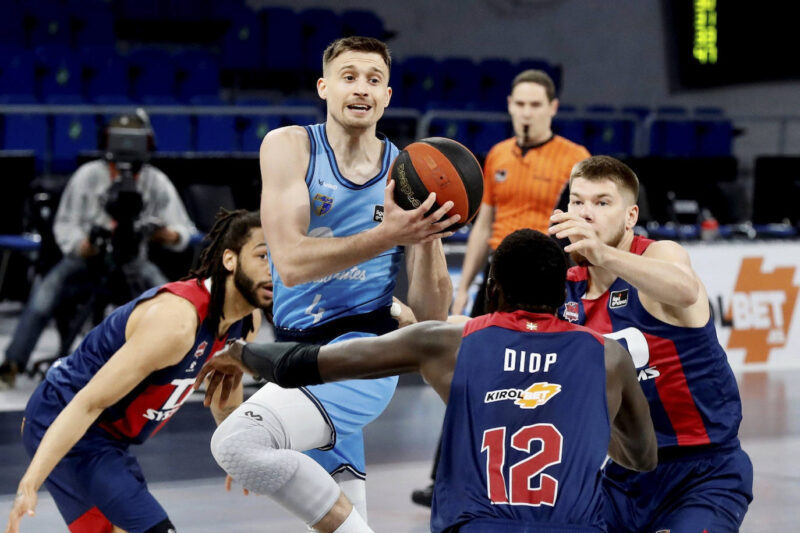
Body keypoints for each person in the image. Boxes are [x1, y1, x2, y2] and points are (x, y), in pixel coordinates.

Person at [197, 228, 658, 532]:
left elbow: (301, 363)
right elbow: (641, 457)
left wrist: (240, 352)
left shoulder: (447, 341)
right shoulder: (608, 356)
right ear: (562, 294)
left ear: (492, 289)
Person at [207, 36, 457, 533]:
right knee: (342, 524)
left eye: (374, 80)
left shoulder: (409, 172)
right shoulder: (289, 147)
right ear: (324, 87)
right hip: (297, 353)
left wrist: (425, 236)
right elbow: (291, 263)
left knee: (236, 445)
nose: (362, 88)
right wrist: (388, 234)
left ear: (387, 96)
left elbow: (431, 319)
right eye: (349, 77)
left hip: (364, 355)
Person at [5, 209, 270, 533]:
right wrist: (30, 483)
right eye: (262, 256)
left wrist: (236, 449)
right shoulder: (176, 323)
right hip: (66, 420)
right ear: (230, 260)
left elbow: (224, 388)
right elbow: (88, 402)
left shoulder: (247, 322)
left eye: (279, 257)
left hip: (108, 438)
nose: (274, 268)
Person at [548, 155, 753, 532]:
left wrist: (604, 254)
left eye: (602, 202)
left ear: (630, 216)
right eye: (577, 201)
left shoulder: (661, 254)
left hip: (704, 472)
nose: (586, 213)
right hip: (624, 474)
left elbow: (685, 288)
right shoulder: (566, 287)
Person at [0, 111, 197, 389]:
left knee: (170, 300)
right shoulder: (87, 176)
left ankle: (184, 363)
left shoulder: (155, 180)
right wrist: (81, 245)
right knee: (46, 292)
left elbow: (183, 229)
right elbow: (65, 224)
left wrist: (168, 235)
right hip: (86, 260)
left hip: (134, 260)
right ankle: (12, 363)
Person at [451, 69, 590, 318]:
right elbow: (483, 226)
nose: (527, 112)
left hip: (545, 274)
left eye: (535, 105)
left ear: (553, 107)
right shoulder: (497, 154)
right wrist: (462, 289)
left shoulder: (576, 158)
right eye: (520, 104)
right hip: (498, 270)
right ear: (510, 105)